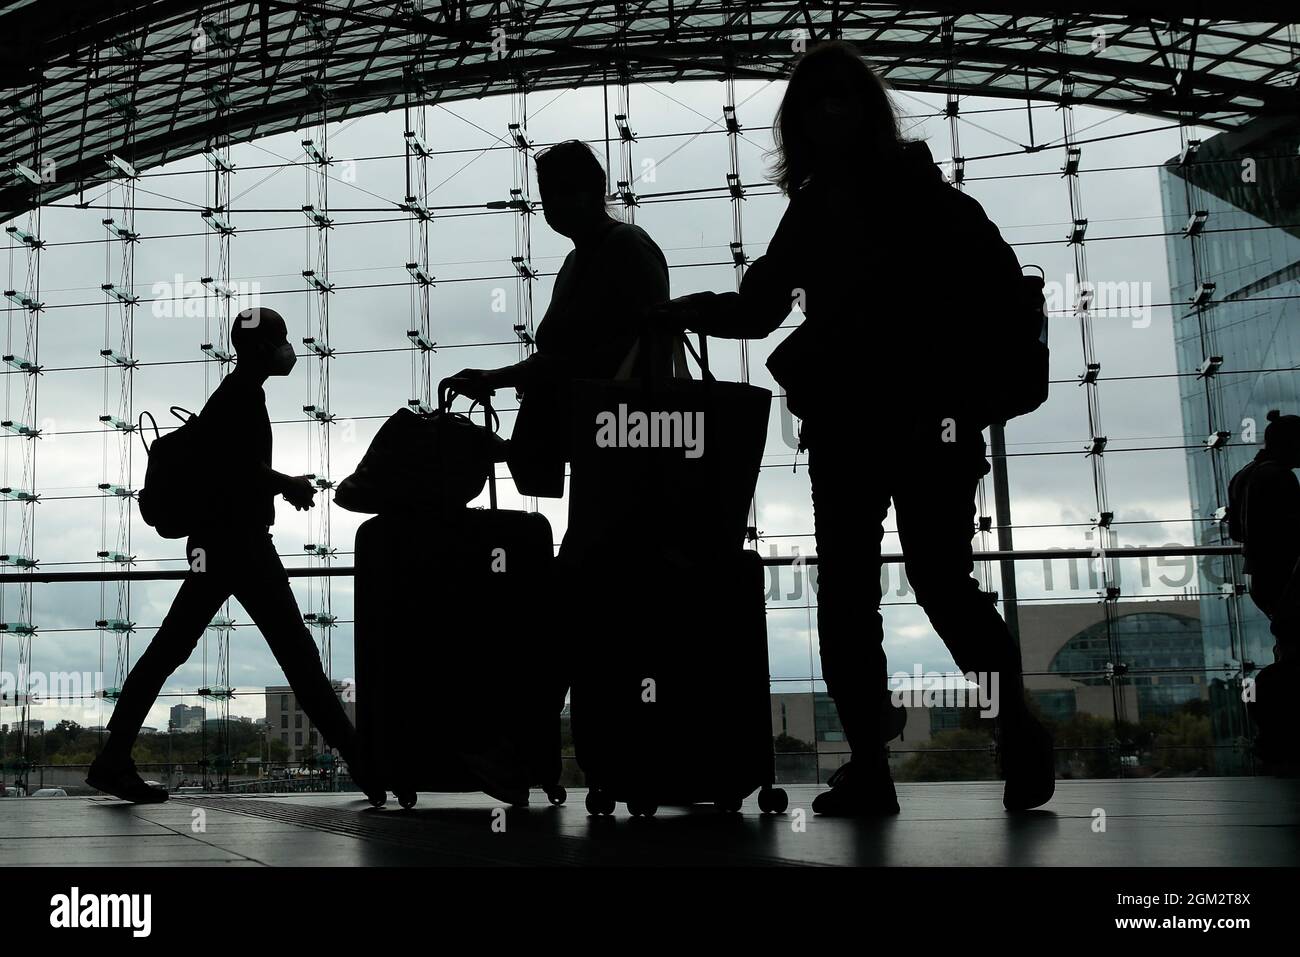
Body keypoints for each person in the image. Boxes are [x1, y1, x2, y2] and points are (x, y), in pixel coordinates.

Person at [652, 41, 1055, 815]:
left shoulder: (819, 205)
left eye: (836, 100)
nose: (830, 112)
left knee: (848, 594)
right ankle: (1016, 730)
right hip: (934, 422)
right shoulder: (934, 200)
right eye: (820, 101)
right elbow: (1001, 296)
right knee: (942, 582)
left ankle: (872, 764)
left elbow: (760, 308)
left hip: (851, 426)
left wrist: (682, 312)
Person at [87, 307, 383, 805]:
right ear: (262, 347)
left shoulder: (236, 393)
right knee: (297, 655)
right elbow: (232, 465)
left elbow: (228, 463)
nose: (290, 349)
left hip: (218, 544)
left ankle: (112, 759)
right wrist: (285, 483)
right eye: (282, 339)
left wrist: (275, 483)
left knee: (171, 650)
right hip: (238, 545)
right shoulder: (240, 394)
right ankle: (364, 764)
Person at [445, 139, 671, 563]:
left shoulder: (619, 249)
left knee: (599, 556)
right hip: (610, 442)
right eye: (547, 195)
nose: (551, 206)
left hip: (618, 445)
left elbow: (611, 353)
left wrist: (506, 377)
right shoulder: (587, 257)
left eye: (560, 192)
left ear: (592, 190)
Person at [1228, 409, 1300, 766]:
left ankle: (1278, 738)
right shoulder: (1281, 478)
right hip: (1287, 578)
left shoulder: (1244, 475)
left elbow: (1237, 533)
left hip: (1261, 577)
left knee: (1288, 651)